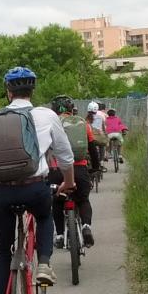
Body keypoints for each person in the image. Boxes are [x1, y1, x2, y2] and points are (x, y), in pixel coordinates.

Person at [0, 66, 75, 294]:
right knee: (44, 216)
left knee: (1, 251)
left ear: (8, 92)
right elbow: (65, 156)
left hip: (1, 192)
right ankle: (43, 263)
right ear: (32, 90)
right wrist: (67, 181)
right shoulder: (46, 115)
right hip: (34, 189)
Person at [49, 96, 96, 249]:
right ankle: (86, 226)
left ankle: (61, 235)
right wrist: (95, 167)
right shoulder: (83, 124)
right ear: (71, 109)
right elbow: (93, 148)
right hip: (80, 169)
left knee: (57, 201)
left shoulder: (51, 125)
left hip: (58, 170)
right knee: (83, 200)